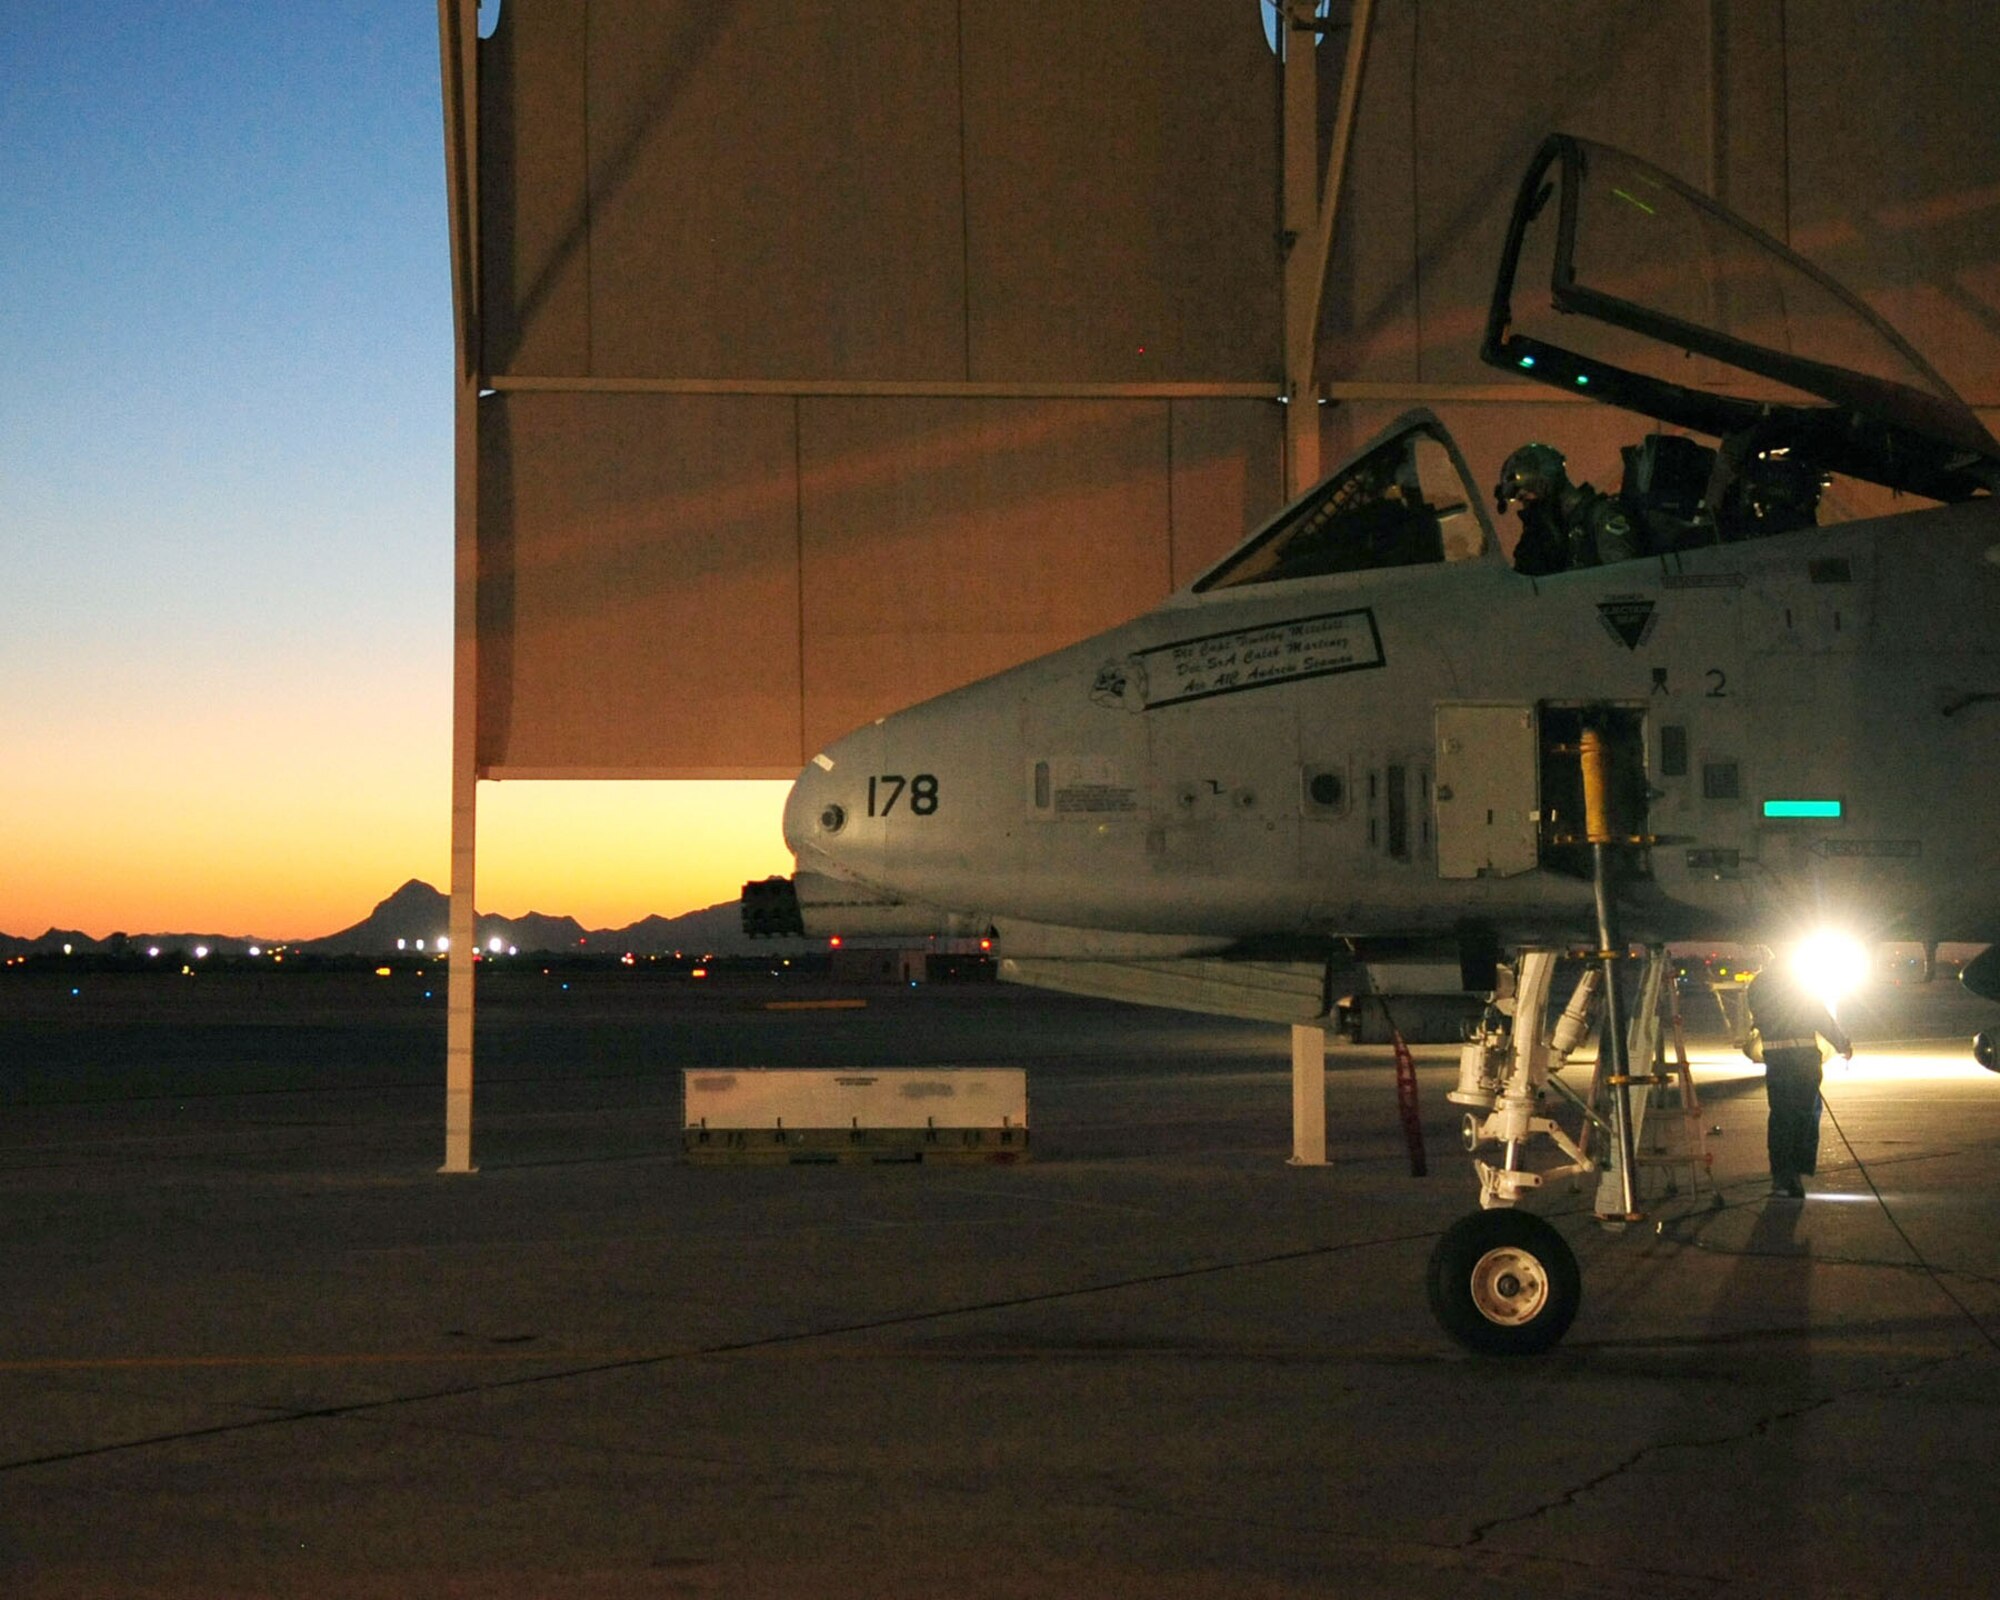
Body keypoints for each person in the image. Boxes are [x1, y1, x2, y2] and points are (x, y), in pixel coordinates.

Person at [1746, 959, 1854, 1198]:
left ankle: (1781, 1176)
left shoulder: (1757, 984)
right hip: (1804, 1060)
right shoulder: (1800, 985)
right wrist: (1842, 1044)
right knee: (1805, 1115)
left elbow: (1757, 1019)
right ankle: (1796, 1171)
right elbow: (1821, 1017)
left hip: (1776, 1060)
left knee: (1781, 1117)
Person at [1494, 442, 1643, 574]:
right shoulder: (1553, 533)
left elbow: (1625, 578)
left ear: (1546, 481)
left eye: (1528, 496)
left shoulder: (1603, 515)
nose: (1528, 505)